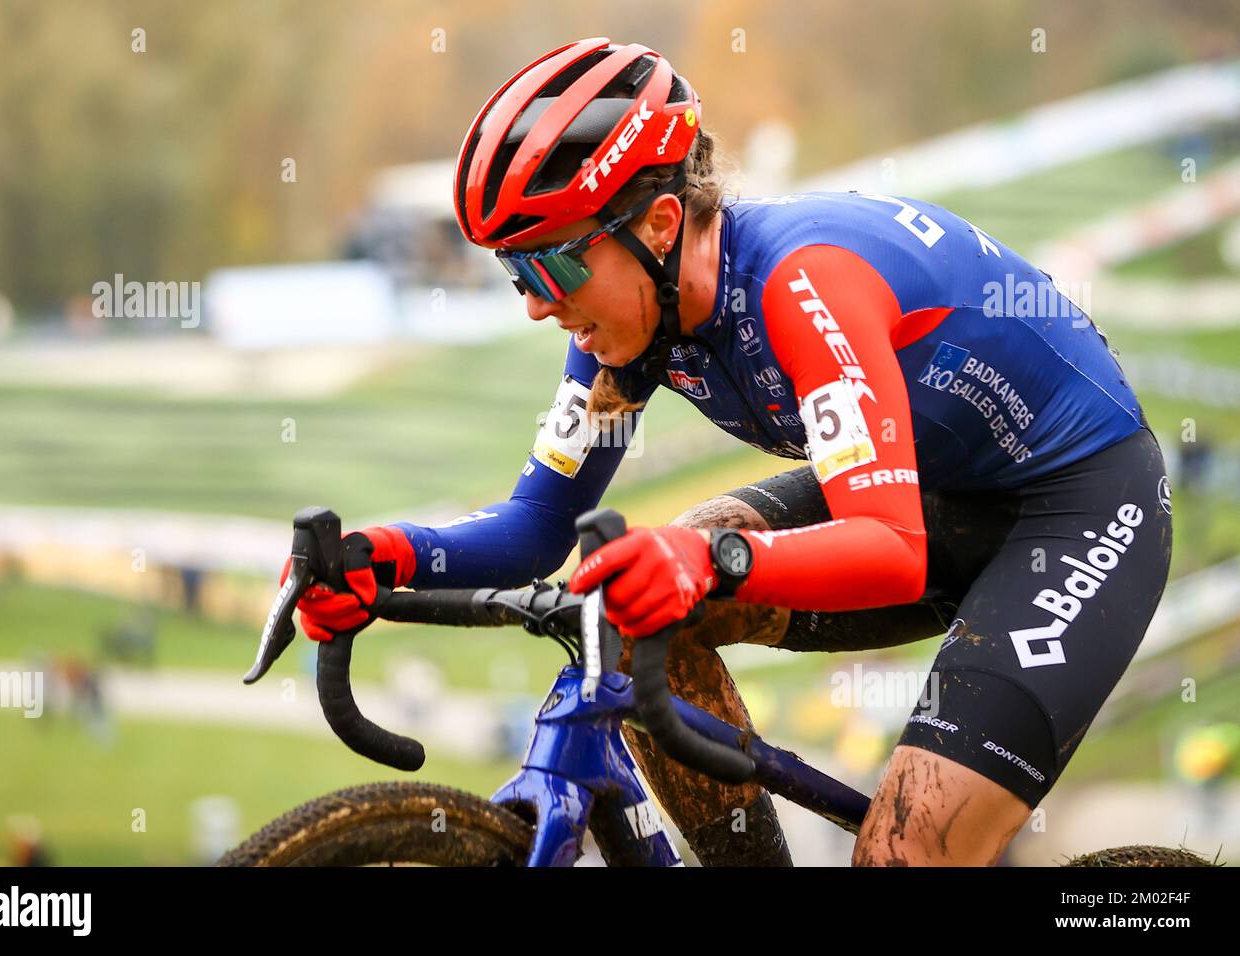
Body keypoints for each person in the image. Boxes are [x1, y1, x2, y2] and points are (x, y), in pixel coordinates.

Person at [288, 38, 1173, 866]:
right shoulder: (630, 325)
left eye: (551, 268)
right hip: (930, 493)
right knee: (638, 607)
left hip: (1077, 508)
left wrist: (710, 558)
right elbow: (534, 526)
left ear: (662, 223)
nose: (534, 304)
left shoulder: (801, 286)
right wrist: (390, 554)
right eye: (514, 275)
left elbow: (892, 552)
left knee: (902, 851)